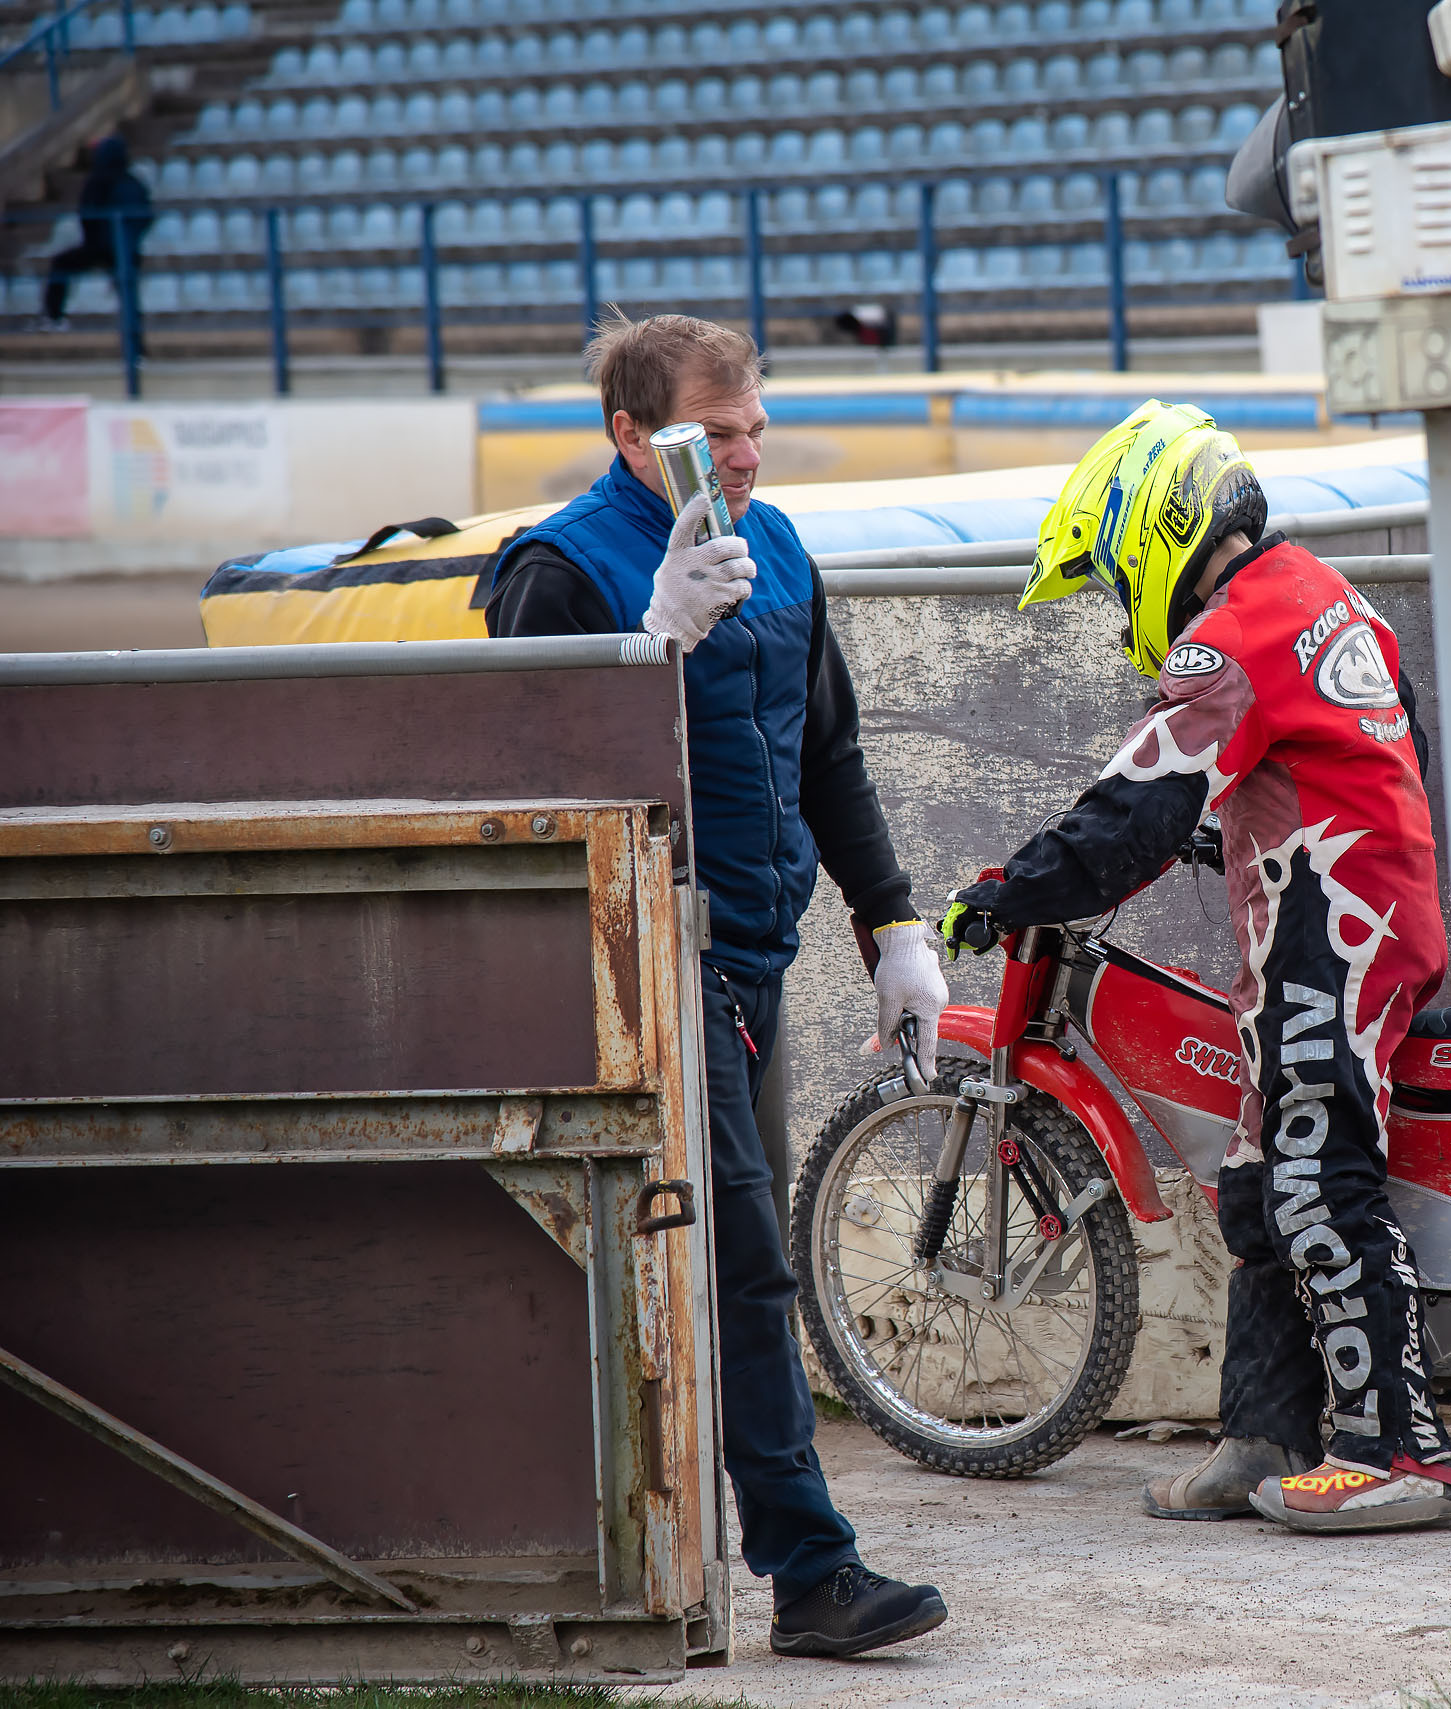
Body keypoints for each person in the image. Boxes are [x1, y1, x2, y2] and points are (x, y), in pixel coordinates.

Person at [484, 310, 951, 1660]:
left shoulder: (784, 545)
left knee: (724, 1267)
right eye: (712, 430)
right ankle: (810, 1571)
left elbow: (832, 760)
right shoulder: (560, 569)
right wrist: (648, 645)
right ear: (630, 434)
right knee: (743, 1268)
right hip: (641, 969)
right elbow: (531, 787)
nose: (743, 452)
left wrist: (894, 925)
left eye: (753, 425)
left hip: (754, 957)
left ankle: (698, 1565)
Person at [939, 402, 1451, 1534]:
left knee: (1318, 1177)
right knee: (1256, 1181)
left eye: (1102, 575)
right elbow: (1376, 754)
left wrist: (1011, 891)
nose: (1107, 599)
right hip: (1343, 918)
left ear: (1149, 528)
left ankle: (1401, 1450)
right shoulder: (1323, 594)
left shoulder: (1231, 636)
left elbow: (1135, 801)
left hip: (1332, 932)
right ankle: (1263, 1432)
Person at [37, 134, 152, 334]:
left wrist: (97, 240)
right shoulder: (134, 183)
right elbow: (146, 216)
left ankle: (53, 318)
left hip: (101, 247)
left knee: (61, 264)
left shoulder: (98, 181)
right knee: (128, 294)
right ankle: (136, 344)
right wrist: (130, 239)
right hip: (126, 249)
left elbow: (87, 214)